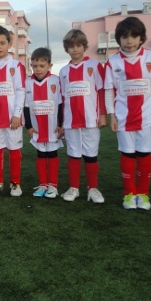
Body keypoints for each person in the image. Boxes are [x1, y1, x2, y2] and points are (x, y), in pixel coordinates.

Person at [104, 17, 151, 210]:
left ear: (141, 38)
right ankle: (129, 194)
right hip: (123, 118)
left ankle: (143, 194)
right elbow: (109, 91)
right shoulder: (112, 62)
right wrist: (112, 115)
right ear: (119, 39)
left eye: (134, 36)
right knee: (127, 154)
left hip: (147, 117)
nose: (129, 41)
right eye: (125, 37)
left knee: (144, 154)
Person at [59, 29, 107, 203]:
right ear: (67, 48)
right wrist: (61, 122)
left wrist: (103, 114)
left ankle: (92, 188)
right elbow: (62, 98)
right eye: (71, 46)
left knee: (90, 155)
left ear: (84, 46)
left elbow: (101, 91)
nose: (75, 49)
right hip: (70, 121)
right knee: (73, 154)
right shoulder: (64, 71)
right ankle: (74, 188)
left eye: (78, 45)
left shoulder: (94, 65)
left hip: (91, 119)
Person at [0, 26, 26, 196]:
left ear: (10, 44)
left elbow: (21, 90)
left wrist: (17, 114)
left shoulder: (16, 65)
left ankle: (15, 183)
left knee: (14, 150)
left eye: (2, 43)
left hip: (12, 118)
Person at [24, 48, 63, 198]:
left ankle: (53, 186)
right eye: (35, 66)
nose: (38, 69)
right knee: (40, 154)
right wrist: (28, 126)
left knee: (52, 154)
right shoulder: (28, 82)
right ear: (31, 66)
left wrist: (61, 124)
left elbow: (60, 104)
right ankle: (43, 184)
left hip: (52, 126)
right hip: (37, 127)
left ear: (50, 65)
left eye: (42, 65)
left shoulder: (56, 81)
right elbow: (26, 106)